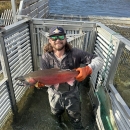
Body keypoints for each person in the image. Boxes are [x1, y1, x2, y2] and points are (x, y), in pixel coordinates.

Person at [39, 26, 104, 130]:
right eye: (54, 38)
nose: (58, 40)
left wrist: (88, 69)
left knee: (76, 119)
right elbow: (43, 76)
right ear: (49, 40)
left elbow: (99, 60)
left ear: (65, 38)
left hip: (72, 95)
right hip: (54, 95)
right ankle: (59, 124)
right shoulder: (45, 57)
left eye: (60, 36)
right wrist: (41, 82)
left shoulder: (76, 53)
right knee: (56, 116)